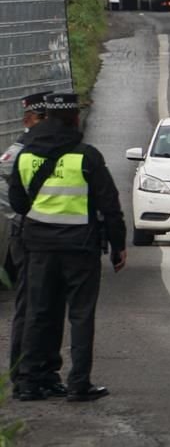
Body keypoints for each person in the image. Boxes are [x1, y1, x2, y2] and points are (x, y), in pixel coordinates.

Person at [7, 92, 127, 402]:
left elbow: (19, 203)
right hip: (80, 248)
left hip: (38, 247)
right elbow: (110, 205)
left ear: (45, 117)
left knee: (37, 312)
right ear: (75, 119)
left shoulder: (26, 155)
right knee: (81, 315)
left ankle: (30, 382)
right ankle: (78, 383)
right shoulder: (86, 156)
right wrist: (118, 246)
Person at [1, 92, 67, 398]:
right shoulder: (21, 150)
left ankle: (45, 371)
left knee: (51, 307)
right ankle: (23, 374)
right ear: (33, 119)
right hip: (28, 237)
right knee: (31, 308)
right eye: (46, 117)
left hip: (51, 237)